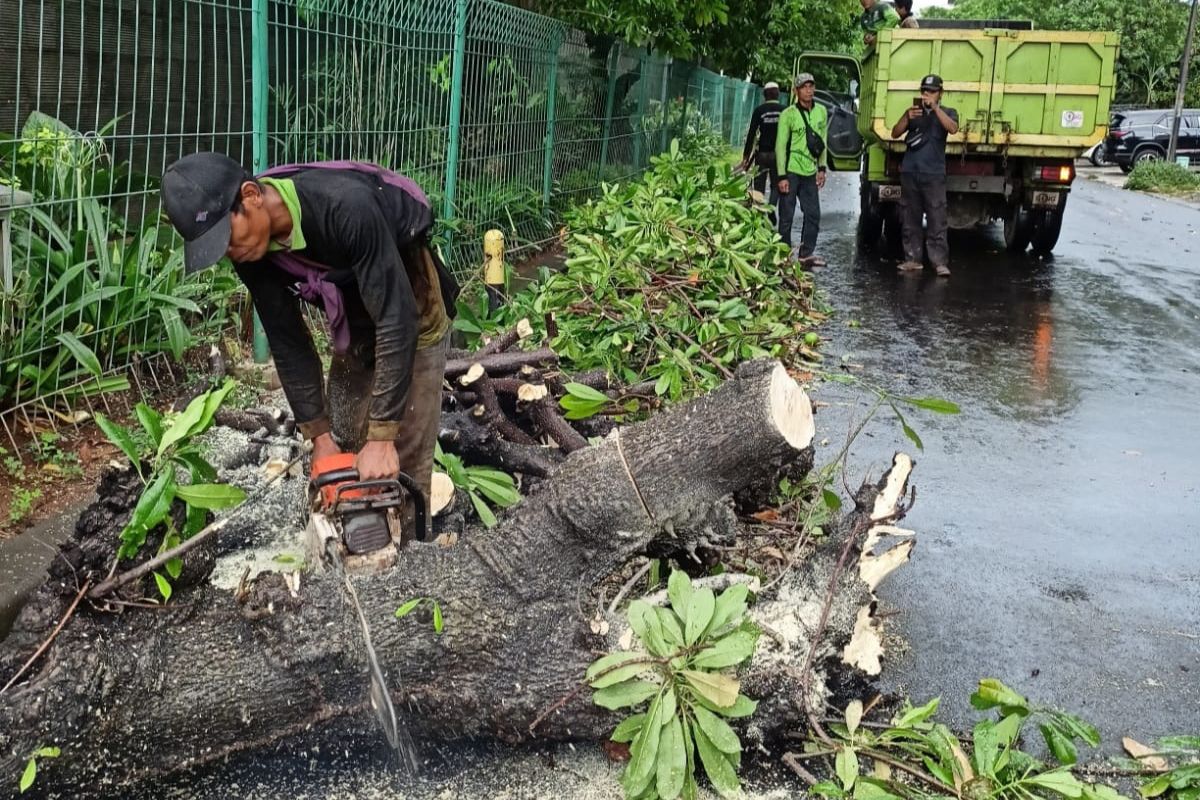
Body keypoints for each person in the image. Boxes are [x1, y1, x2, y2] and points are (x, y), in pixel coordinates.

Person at [160, 153, 459, 510]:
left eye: (226, 237)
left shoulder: (344, 206)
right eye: (217, 248)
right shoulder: (249, 252)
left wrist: (382, 440)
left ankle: (410, 548)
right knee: (343, 430)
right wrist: (319, 437)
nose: (228, 253)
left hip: (406, 296)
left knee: (401, 454)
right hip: (355, 309)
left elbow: (397, 319)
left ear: (252, 195)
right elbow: (289, 344)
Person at [890, 74, 959, 276]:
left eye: (931, 92)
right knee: (910, 217)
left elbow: (953, 129)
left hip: (934, 174)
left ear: (940, 94)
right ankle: (912, 259)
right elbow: (895, 133)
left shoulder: (948, 112)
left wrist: (935, 109)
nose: (927, 95)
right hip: (911, 172)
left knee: (937, 217)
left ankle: (939, 262)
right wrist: (906, 117)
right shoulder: (914, 112)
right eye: (924, 91)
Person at [775, 73, 829, 267]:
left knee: (813, 213)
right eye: (804, 87)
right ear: (796, 91)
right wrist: (781, 175)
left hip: (809, 171)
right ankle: (783, 254)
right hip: (791, 170)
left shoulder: (821, 111)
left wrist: (822, 168)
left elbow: (823, 142)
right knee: (787, 215)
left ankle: (806, 253)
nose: (808, 90)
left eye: (811, 86)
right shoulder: (788, 114)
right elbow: (780, 146)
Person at [740, 81, 784, 221]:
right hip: (778, 155)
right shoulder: (784, 110)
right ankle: (771, 207)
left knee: (759, 185)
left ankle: (758, 215)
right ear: (778, 93)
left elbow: (752, 134)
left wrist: (746, 156)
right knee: (777, 184)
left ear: (765, 95)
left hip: (762, 154)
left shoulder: (759, 110)